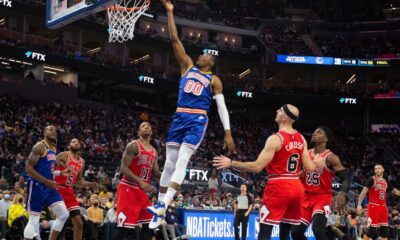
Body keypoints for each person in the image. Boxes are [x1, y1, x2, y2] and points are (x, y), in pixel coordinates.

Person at [149, 0, 235, 229]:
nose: (203, 54)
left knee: (182, 162)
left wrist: (228, 132)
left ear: (211, 62)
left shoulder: (214, 80)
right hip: (179, 116)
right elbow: (175, 39)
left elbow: (222, 108)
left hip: (197, 119)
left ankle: (164, 204)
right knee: (168, 164)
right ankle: (158, 210)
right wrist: (170, 13)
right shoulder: (187, 65)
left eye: (207, 54)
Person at [213, 104, 324, 240]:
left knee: (265, 231)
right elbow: (310, 167)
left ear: (284, 117)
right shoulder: (301, 138)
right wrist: (317, 163)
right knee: (285, 233)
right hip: (296, 187)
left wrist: (231, 163)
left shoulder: (276, 139)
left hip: (279, 185)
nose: (277, 111)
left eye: (280, 110)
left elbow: (257, 167)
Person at [291, 126, 350, 240]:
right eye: (314, 131)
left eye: (319, 132)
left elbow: (346, 178)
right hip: (305, 198)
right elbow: (303, 174)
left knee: (317, 229)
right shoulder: (306, 154)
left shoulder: (331, 158)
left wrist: (342, 193)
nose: (314, 133)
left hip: (322, 198)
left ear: (326, 139)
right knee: (296, 232)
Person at [24, 125, 70, 240]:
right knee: (34, 219)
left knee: (64, 214)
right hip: (37, 185)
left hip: (49, 187)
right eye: (50, 129)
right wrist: (45, 181)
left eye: (55, 130)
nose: (54, 131)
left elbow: (49, 171)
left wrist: (61, 173)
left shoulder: (53, 149)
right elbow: (28, 169)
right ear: (44, 133)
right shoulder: (40, 146)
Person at [116, 122, 160, 239]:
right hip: (128, 187)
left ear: (151, 132)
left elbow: (156, 173)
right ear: (139, 132)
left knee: (149, 224)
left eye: (148, 126)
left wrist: (171, 179)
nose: (146, 127)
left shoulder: (154, 151)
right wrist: (140, 181)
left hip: (141, 192)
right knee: (124, 228)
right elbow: (123, 168)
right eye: (143, 126)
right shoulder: (133, 145)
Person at [54, 138, 98, 240]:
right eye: (73, 141)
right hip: (58, 189)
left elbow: (79, 181)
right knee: (61, 220)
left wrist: (91, 184)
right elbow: (51, 166)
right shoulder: (64, 155)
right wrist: (59, 167)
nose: (76, 143)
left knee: (79, 223)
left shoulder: (82, 161)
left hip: (69, 191)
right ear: (69, 145)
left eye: (78, 142)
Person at [357, 163, 400, 240]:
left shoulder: (386, 182)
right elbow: (363, 193)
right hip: (373, 207)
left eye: (379, 168)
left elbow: (396, 192)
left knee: (384, 232)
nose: (377, 170)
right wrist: (359, 204)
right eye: (376, 169)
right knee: (371, 231)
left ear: (383, 170)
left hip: (383, 208)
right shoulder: (371, 180)